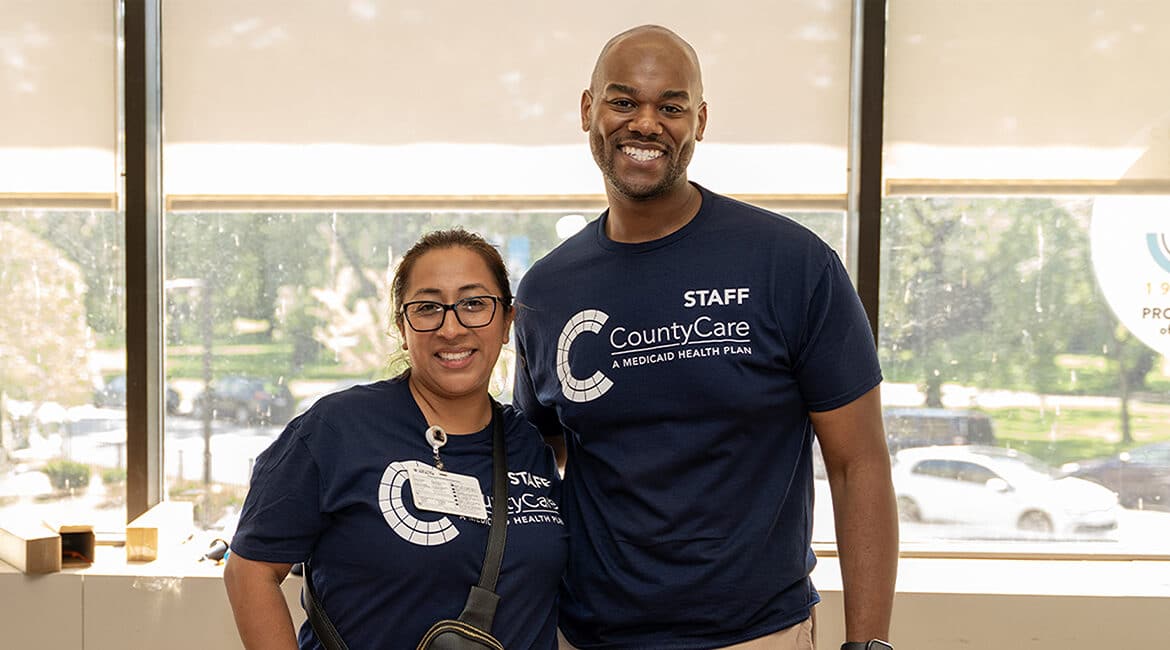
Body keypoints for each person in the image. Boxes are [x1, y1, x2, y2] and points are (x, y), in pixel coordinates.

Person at [513, 25, 898, 650]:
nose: (645, 123)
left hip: (756, 635)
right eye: (622, 102)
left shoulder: (790, 263)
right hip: (588, 633)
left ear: (700, 120)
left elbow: (859, 464)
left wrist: (868, 643)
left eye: (670, 106)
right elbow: (535, 463)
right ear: (588, 109)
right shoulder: (548, 290)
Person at [225, 229, 567, 649]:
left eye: (474, 304)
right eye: (427, 308)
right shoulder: (337, 429)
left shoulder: (528, 444)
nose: (451, 327)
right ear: (403, 328)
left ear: (506, 322)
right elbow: (249, 570)